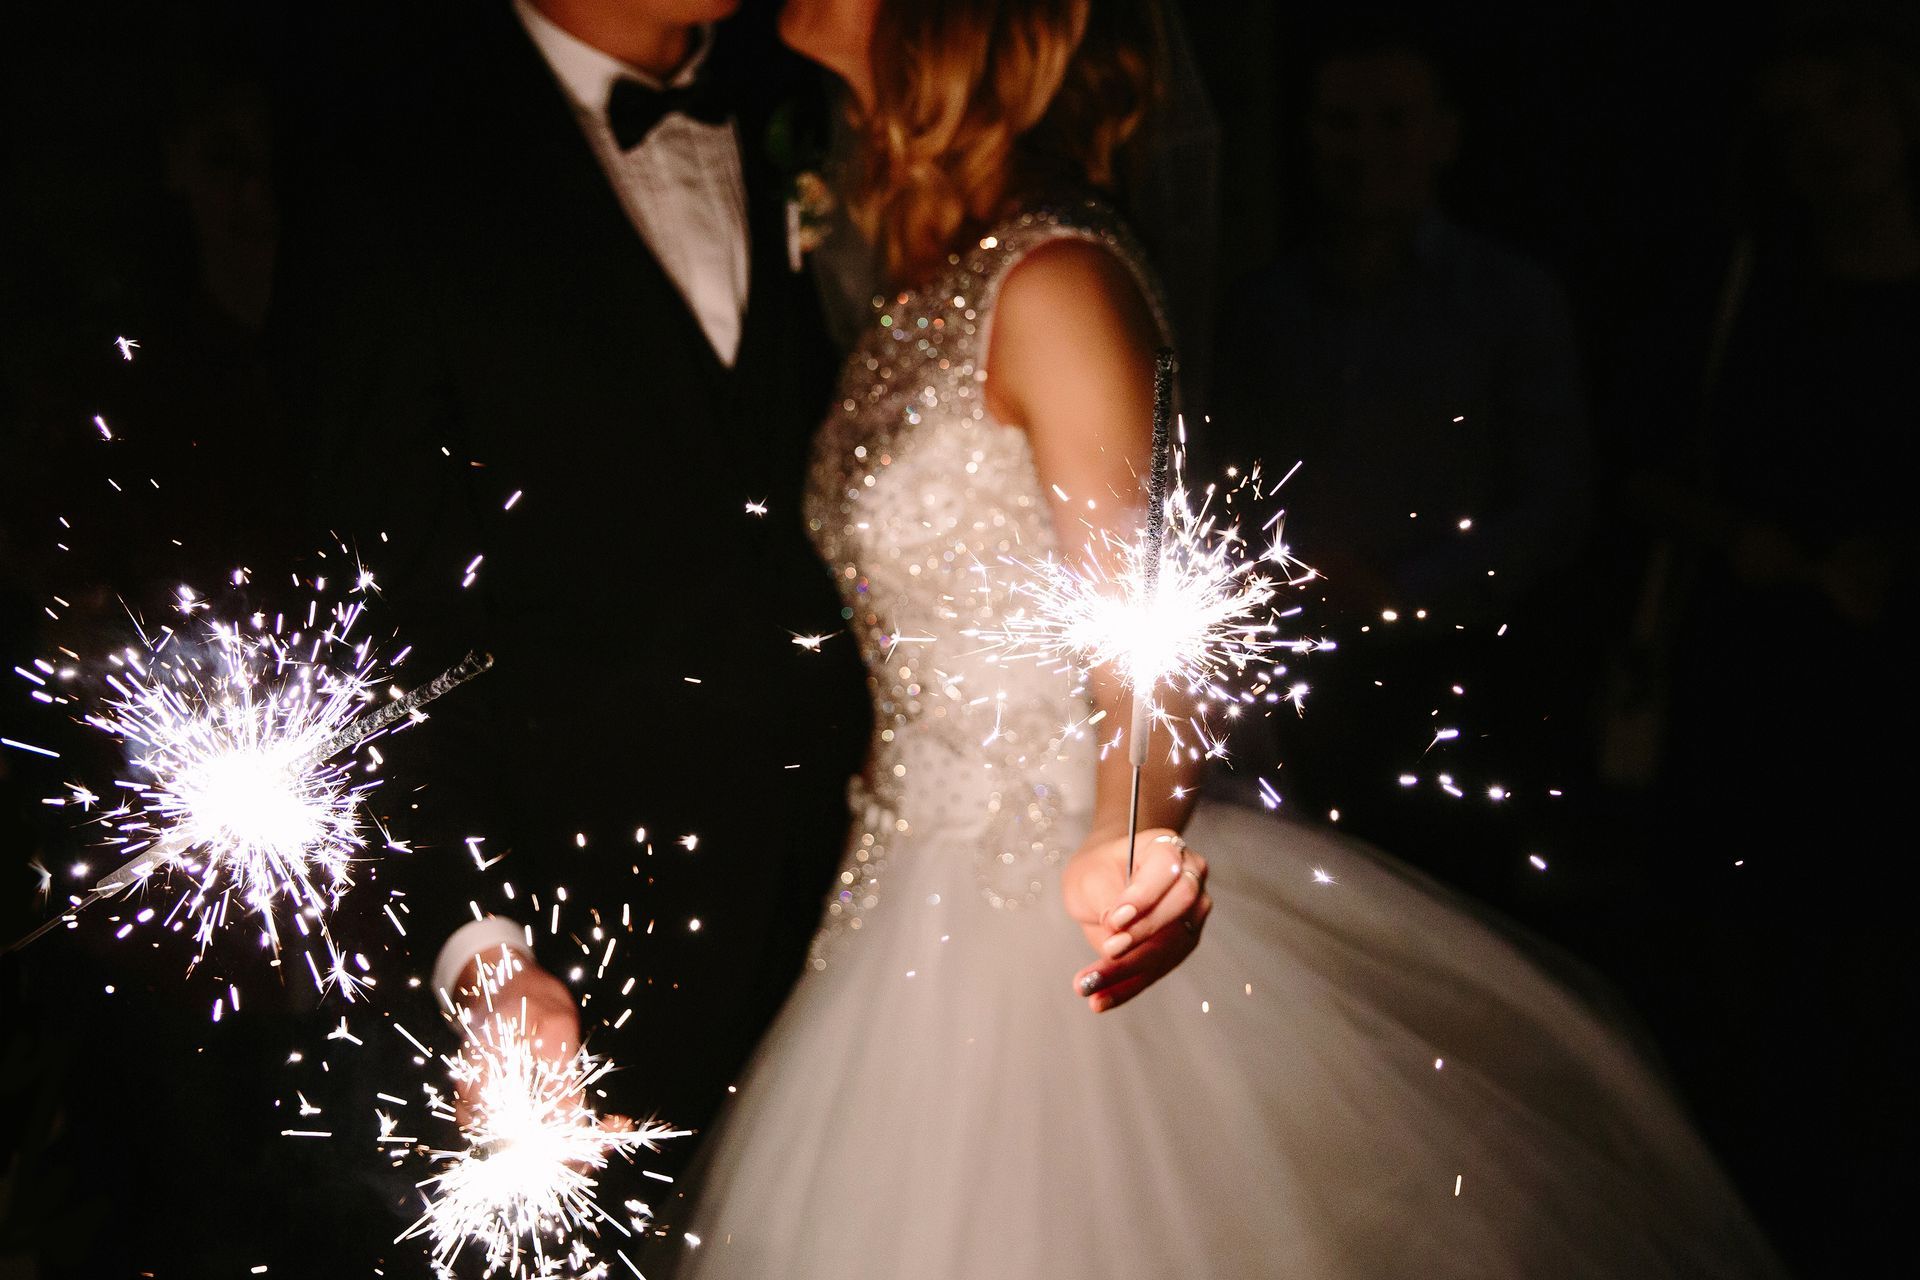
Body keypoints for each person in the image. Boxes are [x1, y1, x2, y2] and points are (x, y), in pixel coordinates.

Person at [660, 3, 1783, 1276]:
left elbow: (1155, 630)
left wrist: (1126, 835)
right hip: (890, 893)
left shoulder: (1054, 280)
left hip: (1030, 910)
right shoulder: (929, 267)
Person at [267, 0, 870, 1259]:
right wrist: (484, 957)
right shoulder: (399, 163)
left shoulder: (817, 99)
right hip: (585, 960)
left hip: (864, 930)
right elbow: (376, 623)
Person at [1209, 24, 1594, 889]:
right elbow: (1224, 479)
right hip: (1291, 676)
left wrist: (1403, 594)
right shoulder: (1264, 307)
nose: (1364, 148)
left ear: (1444, 135)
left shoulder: (1507, 299)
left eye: (1393, 120)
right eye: (1341, 123)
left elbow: (1555, 500)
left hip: (1457, 685)